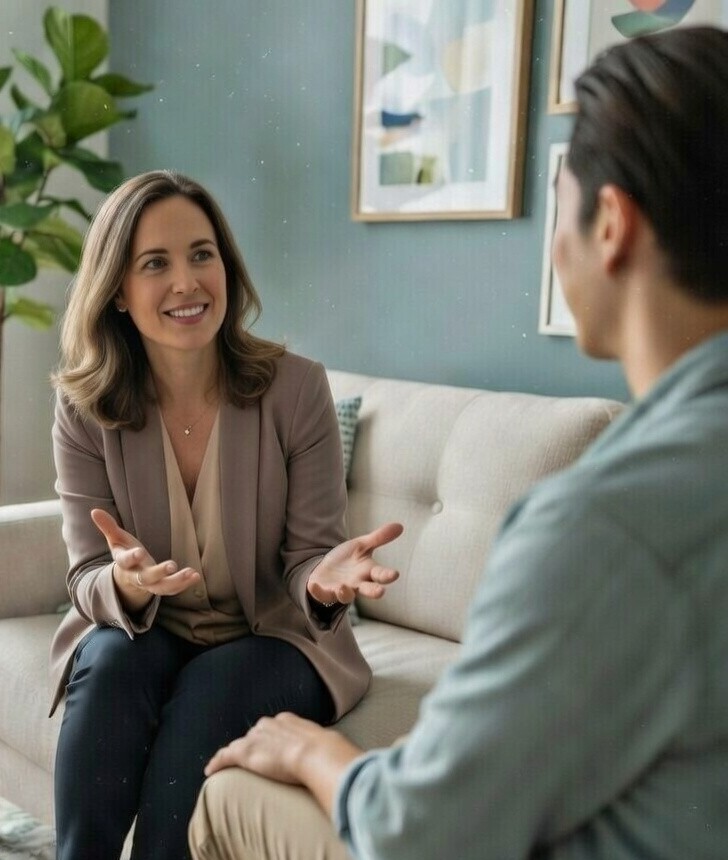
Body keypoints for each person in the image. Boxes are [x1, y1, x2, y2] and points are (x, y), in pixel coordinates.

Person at [188, 25, 728, 860]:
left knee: (230, 791)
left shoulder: (601, 525)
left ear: (611, 223)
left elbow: (421, 834)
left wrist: (310, 751)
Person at [48, 169, 403, 860]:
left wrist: (325, 577)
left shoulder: (297, 389)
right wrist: (123, 582)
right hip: (147, 629)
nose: (186, 282)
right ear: (118, 290)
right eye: (156, 263)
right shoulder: (82, 407)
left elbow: (309, 557)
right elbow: (85, 573)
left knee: (212, 687)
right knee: (110, 664)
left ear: (227, 268)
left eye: (201, 254)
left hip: (275, 638)